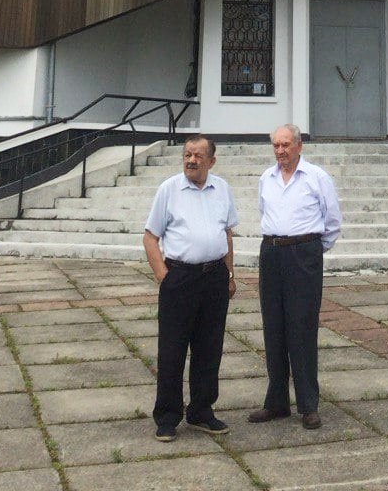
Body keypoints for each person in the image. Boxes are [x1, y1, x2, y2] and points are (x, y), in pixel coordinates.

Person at [143, 135, 238, 442]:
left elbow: (227, 234)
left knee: (209, 348)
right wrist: (164, 277)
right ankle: (168, 415)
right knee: (172, 349)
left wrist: (230, 274)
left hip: (214, 279)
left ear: (211, 161)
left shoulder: (222, 189)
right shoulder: (169, 189)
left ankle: (201, 410)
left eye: (198, 156)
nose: (191, 160)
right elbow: (150, 237)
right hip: (180, 279)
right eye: (187, 155)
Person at [248, 123, 342, 431]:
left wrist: (310, 249)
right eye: (276, 145)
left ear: (299, 146)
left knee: (302, 328)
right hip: (272, 252)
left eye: (286, 145)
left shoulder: (317, 178)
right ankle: (276, 402)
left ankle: (308, 404)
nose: (280, 151)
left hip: (303, 254)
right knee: (273, 327)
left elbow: (332, 222)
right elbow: (264, 211)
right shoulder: (267, 178)